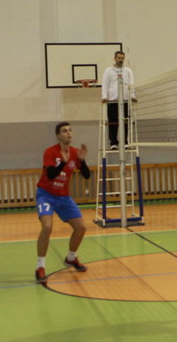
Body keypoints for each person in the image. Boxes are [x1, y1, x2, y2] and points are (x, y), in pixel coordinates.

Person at [35, 122, 91, 286]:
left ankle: (71, 258)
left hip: (63, 197)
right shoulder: (50, 152)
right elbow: (50, 175)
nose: (68, 133)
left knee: (81, 228)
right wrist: (62, 163)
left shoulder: (74, 152)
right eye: (65, 131)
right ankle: (40, 267)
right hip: (46, 195)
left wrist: (82, 161)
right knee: (47, 227)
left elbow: (87, 175)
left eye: (70, 130)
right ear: (58, 135)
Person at [101, 51, 137, 150]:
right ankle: (113, 143)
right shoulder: (108, 70)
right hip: (113, 101)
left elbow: (131, 83)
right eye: (119, 58)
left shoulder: (128, 71)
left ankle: (126, 142)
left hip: (125, 101)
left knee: (125, 122)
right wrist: (104, 96)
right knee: (113, 122)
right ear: (115, 58)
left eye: (122, 58)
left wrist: (132, 95)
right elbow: (105, 84)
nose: (120, 60)